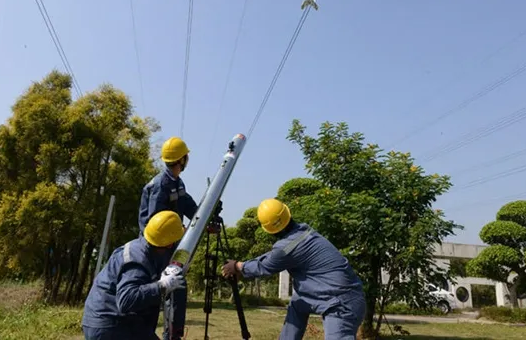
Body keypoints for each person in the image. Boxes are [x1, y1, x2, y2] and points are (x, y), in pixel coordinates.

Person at [222, 199, 366, 340]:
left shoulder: (286, 247)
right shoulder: (304, 232)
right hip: (340, 295)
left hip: (342, 304)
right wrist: (242, 266)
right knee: (298, 302)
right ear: (287, 214)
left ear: (269, 229)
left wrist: (237, 266)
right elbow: (276, 255)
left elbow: (267, 265)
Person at [82, 211, 186, 340]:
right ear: (170, 244)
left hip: (116, 322)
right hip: (110, 325)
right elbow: (126, 300)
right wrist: (161, 286)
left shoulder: (148, 250)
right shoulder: (137, 260)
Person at [138, 136, 198, 340]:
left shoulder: (176, 182)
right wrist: (176, 230)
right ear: (181, 160)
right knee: (163, 291)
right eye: (186, 156)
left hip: (169, 246)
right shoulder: (160, 185)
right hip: (156, 248)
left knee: (177, 288)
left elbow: (188, 205)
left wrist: (207, 217)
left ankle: (172, 337)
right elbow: (155, 221)